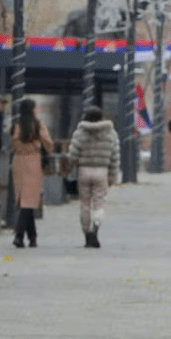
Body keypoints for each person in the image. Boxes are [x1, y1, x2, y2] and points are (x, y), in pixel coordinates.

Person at [66, 105, 120, 249]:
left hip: (84, 171)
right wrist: (112, 177)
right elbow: (115, 157)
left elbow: (72, 155)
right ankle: (95, 229)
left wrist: (74, 164)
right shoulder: (111, 133)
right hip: (102, 171)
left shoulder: (80, 132)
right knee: (99, 203)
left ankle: (87, 234)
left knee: (84, 204)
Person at [8, 98, 53, 248]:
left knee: (24, 199)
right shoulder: (37, 124)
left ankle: (32, 237)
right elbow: (48, 143)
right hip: (33, 161)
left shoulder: (16, 125)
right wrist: (40, 146)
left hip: (19, 161)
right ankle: (19, 235)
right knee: (29, 200)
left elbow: (13, 144)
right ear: (32, 109)